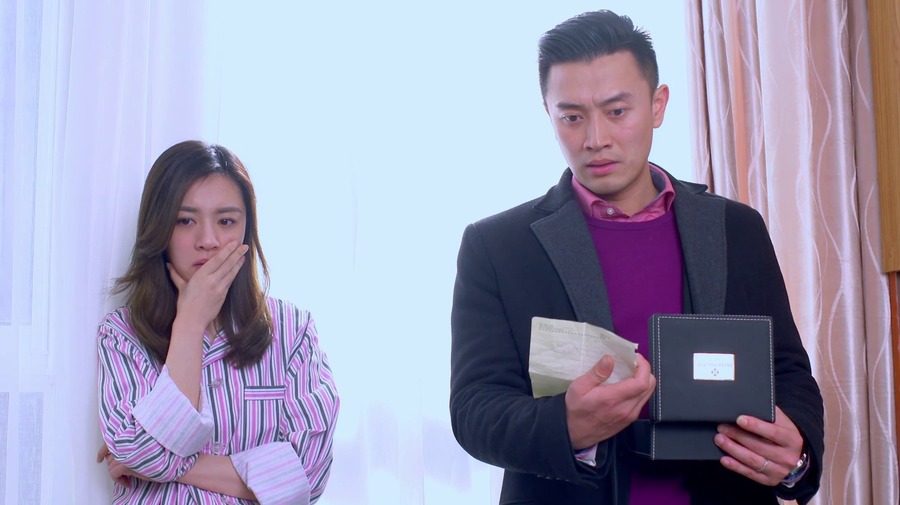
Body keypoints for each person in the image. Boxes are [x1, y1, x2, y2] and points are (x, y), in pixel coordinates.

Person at [449, 10, 823, 505]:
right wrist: (566, 425)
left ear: (657, 105)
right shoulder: (498, 246)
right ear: (549, 114)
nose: (595, 139)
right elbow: (474, 409)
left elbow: (787, 372)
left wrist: (797, 457)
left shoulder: (736, 228)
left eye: (617, 111)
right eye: (572, 117)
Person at [95, 140, 339, 504]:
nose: (208, 241)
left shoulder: (293, 331)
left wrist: (163, 464)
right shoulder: (121, 334)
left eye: (226, 221)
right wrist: (190, 324)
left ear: (246, 230)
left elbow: (308, 475)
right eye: (185, 220)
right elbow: (140, 450)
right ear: (159, 227)